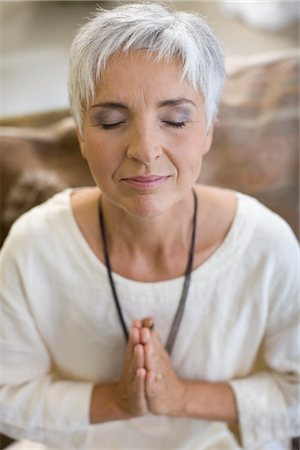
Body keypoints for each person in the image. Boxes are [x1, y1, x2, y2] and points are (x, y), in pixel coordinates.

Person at [0, 3, 299, 450]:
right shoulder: (34, 246)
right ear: (82, 133)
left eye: (175, 120)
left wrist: (178, 398)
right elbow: (8, 395)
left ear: (208, 129)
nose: (145, 149)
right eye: (112, 121)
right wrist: (117, 402)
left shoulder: (266, 244)